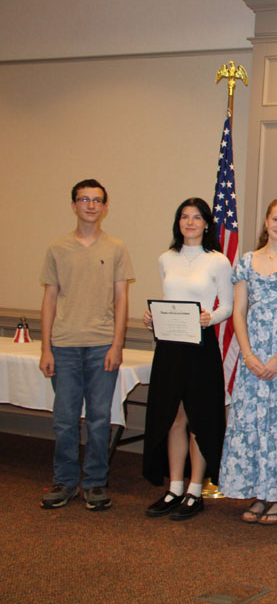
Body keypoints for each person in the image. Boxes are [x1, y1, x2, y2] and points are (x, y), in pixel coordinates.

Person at [39, 179, 135, 511]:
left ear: (105, 207)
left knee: (98, 418)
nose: (91, 205)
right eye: (84, 199)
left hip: (101, 346)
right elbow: (50, 299)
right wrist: (45, 348)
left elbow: (122, 299)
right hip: (64, 346)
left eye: (97, 200)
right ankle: (65, 481)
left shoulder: (116, 247)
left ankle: (95, 482)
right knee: (64, 418)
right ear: (74, 205)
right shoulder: (57, 248)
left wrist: (117, 345)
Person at [142, 197, 233, 521]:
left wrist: (211, 317)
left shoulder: (218, 261)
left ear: (207, 223)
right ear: (177, 222)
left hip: (200, 346)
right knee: (173, 417)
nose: (190, 222)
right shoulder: (166, 258)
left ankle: (196, 490)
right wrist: (153, 318)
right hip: (169, 346)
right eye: (184, 217)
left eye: (196, 217)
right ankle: (175, 487)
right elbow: (168, 300)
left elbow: (229, 307)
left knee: (198, 418)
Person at [219, 197, 277, 525]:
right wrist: (248, 354)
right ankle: (259, 493)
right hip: (252, 355)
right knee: (253, 422)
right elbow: (239, 311)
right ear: (266, 222)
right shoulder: (246, 261)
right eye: (275, 219)